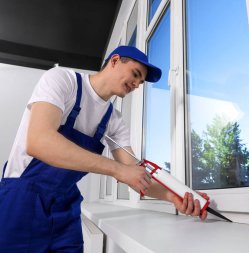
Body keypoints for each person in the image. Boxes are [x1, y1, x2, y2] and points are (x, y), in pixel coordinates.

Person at [0, 46, 208, 252]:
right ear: (115, 60)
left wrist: (174, 197)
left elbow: (135, 174)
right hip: (23, 199)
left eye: (141, 82)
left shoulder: (113, 121)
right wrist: (118, 170)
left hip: (66, 207)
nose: (136, 84)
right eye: (135, 74)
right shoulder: (63, 80)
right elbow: (39, 141)